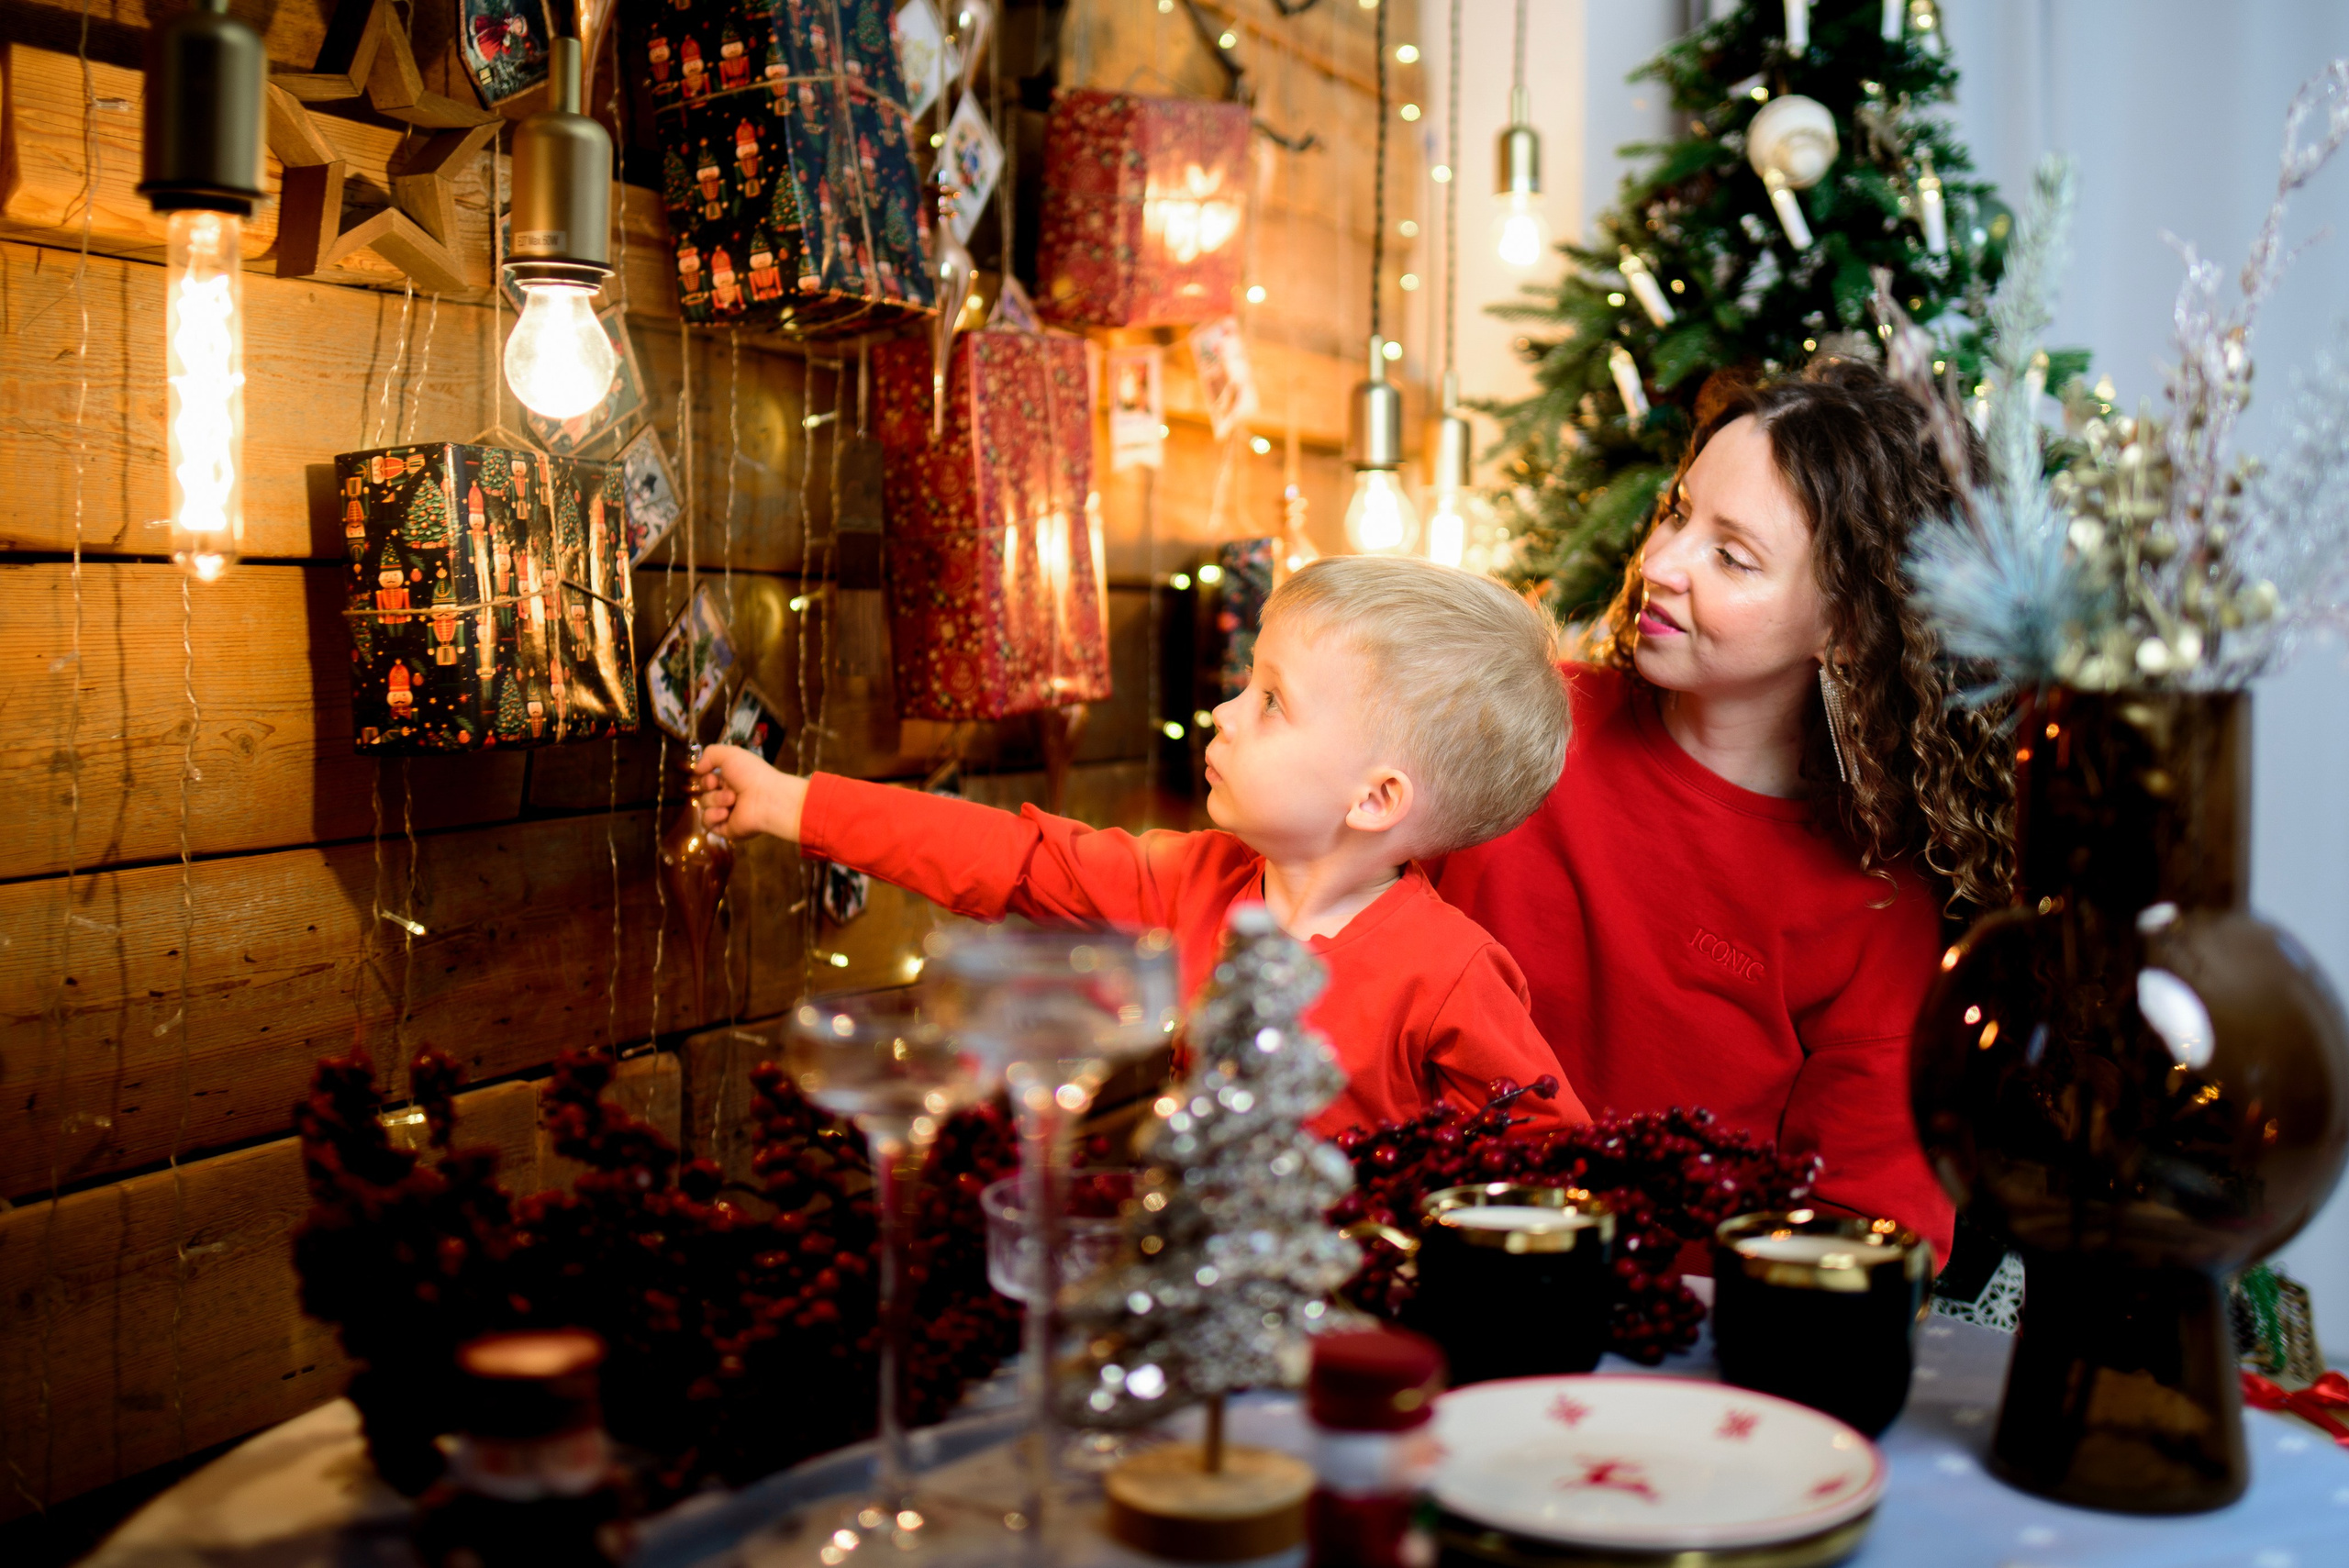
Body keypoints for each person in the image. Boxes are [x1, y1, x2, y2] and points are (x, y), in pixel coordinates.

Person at [693, 556, 1589, 1140]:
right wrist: (789, 800)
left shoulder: (1451, 972)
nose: (1225, 713)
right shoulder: (1192, 881)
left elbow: (1556, 1163)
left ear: (1376, 797)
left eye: (1271, 701)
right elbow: (1003, 855)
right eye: (1247, 684)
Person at [1437, 361, 2011, 1265]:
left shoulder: (1872, 911)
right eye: (1675, 511)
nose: (1658, 563)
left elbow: (1861, 1243)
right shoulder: (1512, 721)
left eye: (1731, 555)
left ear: (1849, 624)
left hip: (1682, 1368)